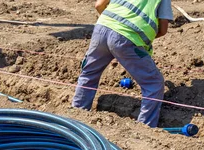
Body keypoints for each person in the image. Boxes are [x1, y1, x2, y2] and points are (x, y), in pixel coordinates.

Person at [72, 0, 173, 128]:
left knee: (89, 74)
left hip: (102, 27)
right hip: (127, 36)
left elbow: (98, 5)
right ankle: (145, 129)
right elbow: (163, 29)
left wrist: (113, 24)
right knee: (154, 83)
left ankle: (76, 118)